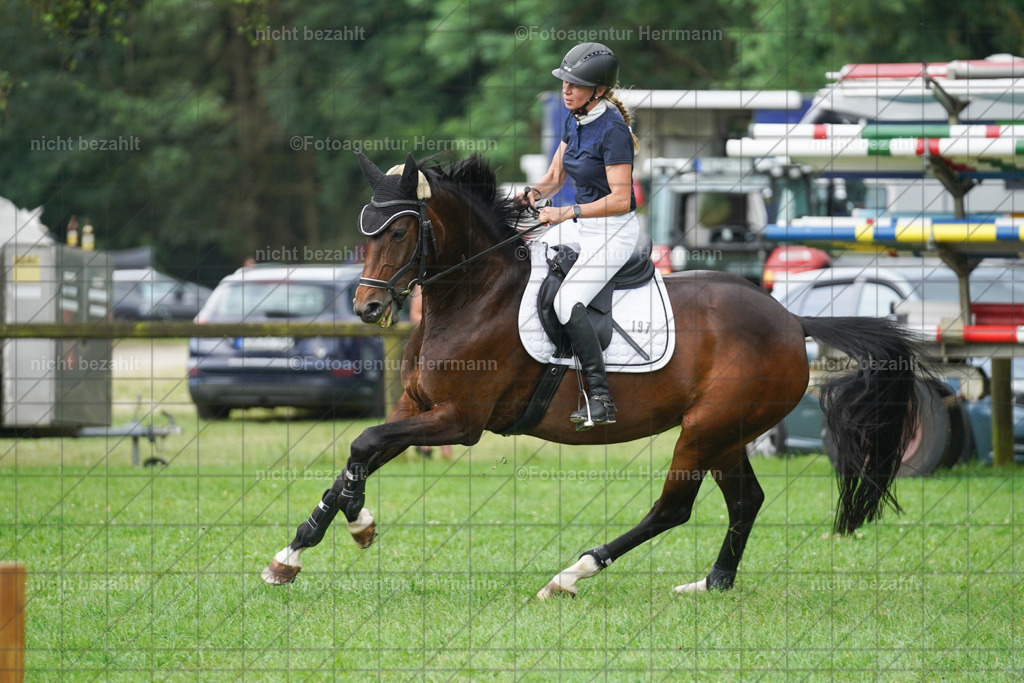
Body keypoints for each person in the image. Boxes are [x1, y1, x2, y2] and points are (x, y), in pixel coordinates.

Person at [521, 42, 640, 430]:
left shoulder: (613, 131)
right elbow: (555, 178)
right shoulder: (574, 119)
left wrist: (565, 212)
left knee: (569, 299)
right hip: (582, 225)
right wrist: (532, 195)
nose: (566, 90)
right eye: (564, 82)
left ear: (600, 91)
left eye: (575, 84)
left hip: (614, 233)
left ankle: (601, 399)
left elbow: (622, 200)